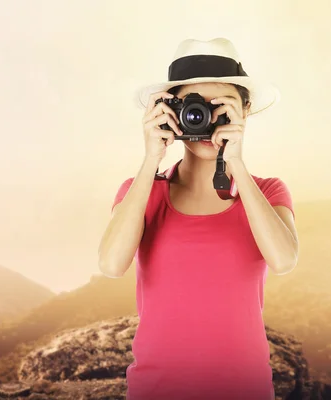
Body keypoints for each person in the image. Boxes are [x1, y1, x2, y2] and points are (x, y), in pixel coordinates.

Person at [98, 38, 299, 400]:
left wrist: (235, 161)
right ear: (170, 112)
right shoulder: (142, 191)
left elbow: (284, 260)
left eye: (220, 107)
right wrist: (150, 160)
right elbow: (112, 265)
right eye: (194, 108)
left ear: (245, 110)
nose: (204, 120)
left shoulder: (266, 192)